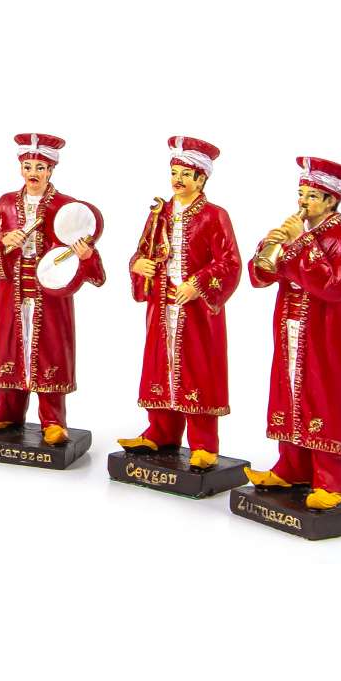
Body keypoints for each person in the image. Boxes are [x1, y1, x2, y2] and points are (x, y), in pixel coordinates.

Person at [0, 133, 105, 445]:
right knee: (9, 348)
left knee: (50, 352)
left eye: (40, 168)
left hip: (50, 296)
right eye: (28, 166)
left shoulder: (67, 207)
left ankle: (53, 420)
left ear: (50, 170)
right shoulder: (6, 203)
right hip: (12, 293)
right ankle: (6, 411)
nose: (33, 173)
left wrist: (86, 256)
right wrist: (2, 240)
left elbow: (86, 255)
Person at [244, 156, 341, 509]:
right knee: (289, 395)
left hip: (324, 337)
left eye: (311, 196)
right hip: (289, 329)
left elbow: (334, 287)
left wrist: (301, 245)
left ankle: (330, 481)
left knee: (324, 399)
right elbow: (259, 277)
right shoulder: (294, 235)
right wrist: (268, 248)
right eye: (301, 194)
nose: (303, 202)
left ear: (331, 200)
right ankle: (291, 467)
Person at [119, 136, 240, 467]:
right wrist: (138, 265)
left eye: (186, 174)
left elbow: (230, 262)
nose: (178, 179)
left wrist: (198, 284)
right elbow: (142, 250)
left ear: (201, 179)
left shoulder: (215, 216)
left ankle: (203, 445)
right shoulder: (159, 213)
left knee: (198, 370)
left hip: (196, 311)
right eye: (175, 172)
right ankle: (160, 432)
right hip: (162, 306)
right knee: (160, 366)